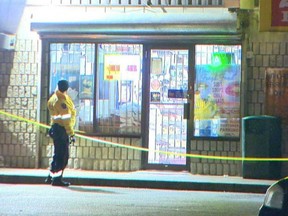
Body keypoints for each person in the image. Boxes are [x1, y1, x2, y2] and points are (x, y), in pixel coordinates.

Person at [45, 80, 76, 186]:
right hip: (62, 130)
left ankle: (51, 176)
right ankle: (57, 179)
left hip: (56, 128)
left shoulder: (54, 97)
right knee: (63, 155)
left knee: (57, 154)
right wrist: (71, 133)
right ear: (67, 88)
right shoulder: (61, 101)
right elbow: (66, 119)